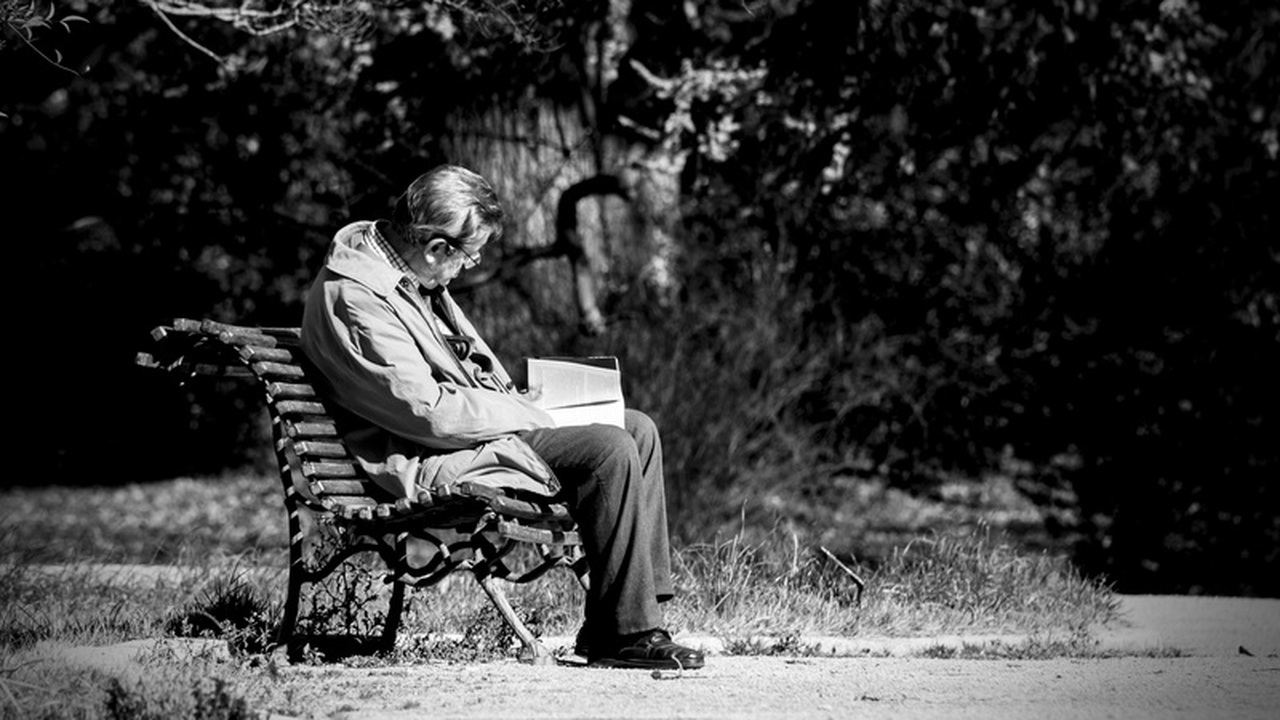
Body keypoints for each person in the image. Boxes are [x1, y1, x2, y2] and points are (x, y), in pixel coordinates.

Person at [300, 164, 704, 670]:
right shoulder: (358, 298)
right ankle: (629, 631)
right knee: (609, 447)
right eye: (472, 255)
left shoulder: (407, 274)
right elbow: (429, 415)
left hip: (467, 435)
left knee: (637, 428)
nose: (472, 266)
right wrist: (527, 408)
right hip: (423, 454)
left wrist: (525, 400)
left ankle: (621, 622)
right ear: (435, 248)